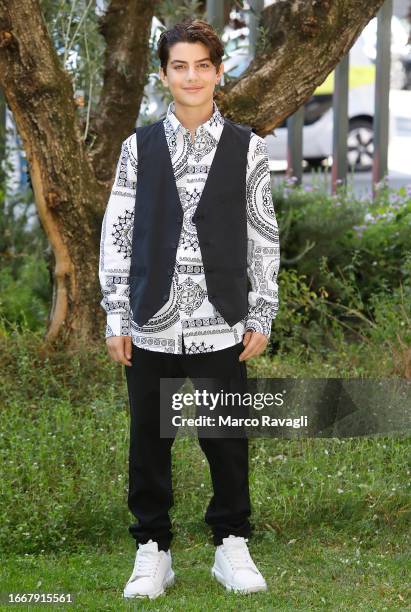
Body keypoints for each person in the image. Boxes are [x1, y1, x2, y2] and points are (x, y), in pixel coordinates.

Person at [98, 18, 280, 600]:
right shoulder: (138, 148)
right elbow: (119, 234)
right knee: (149, 440)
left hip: (222, 319)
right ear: (164, 74)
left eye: (203, 65)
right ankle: (153, 550)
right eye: (180, 65)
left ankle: (231, 545)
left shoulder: (248, 148)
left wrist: (262, 312)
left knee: (226, 439)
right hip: (151, 322)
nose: (192, 76)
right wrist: (115, 315)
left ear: (219, 71)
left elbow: (262, 236)